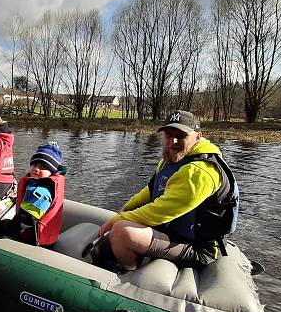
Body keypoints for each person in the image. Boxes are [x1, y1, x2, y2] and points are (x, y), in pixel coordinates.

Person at [93, 110, 239, 273]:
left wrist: (116, 221)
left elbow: (159, 212)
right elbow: (150, 191)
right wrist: (124, 210)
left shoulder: (200, 172)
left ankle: (127, 272)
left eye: (181, 136)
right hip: (173, 232)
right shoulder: (171, 160)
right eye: (168, 135)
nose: (173, 141)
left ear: (198, 137)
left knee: (121, 231)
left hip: (199, 249)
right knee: (121, 222)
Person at [0, 142, 66, 247]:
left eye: (43, 166)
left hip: (32, 240)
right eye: (34, 164)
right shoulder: (44, 184)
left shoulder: (41, 194)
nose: (36, 169)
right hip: (46, 237)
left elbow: (20, 226)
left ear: (52, 171)